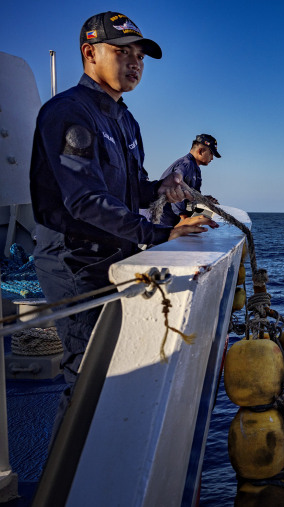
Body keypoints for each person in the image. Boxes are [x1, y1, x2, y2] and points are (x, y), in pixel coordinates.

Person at [30, 11, 218, 395]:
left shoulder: (125, 120)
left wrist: (159, 188)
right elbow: (84, 201)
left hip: (114, 255)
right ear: (90, 52)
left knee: (118, 367)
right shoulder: (68, 113)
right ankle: (77, 455)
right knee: (90, 376)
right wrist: (161, 234)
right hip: (75, 263)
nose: (135, 63)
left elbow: (127, 189)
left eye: (140, 56)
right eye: (122, 52)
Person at [147, 134, 221, 226]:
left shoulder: (196, 169)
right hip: (161, 220)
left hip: (172, 220)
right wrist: (185, 219)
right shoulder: (186, 165)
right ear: (201, 151)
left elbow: (191, 194)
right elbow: (176, 187)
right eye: (211, 153)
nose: (212, 158)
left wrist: (204, 199)